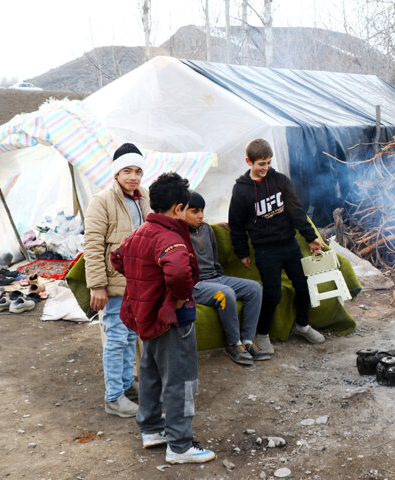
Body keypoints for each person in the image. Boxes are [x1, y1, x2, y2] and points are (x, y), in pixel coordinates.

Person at [110, 172, 215, 464]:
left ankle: (152, 429)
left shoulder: (141, 232)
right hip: (172, 319)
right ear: (179, 208)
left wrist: (144, 283)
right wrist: (179, 296)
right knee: (178, 379)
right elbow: (180, 272)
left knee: (151, 373)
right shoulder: (171, 239)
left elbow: (117, 257)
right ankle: (179, 445)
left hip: (146, 317)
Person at [228, 138, 325, 355]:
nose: (266, 168)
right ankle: (262, 334)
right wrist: (242, 252)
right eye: (261, 164)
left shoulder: (280, 181)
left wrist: (310, 237)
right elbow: (235, 225)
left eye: (269, 163)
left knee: (303, 286)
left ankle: (302, 325)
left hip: (289, 244)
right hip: (265, 250)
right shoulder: (241, 190)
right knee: (272, 294)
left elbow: (296, 211)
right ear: (249, 162)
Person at [84, 142, 149, 418]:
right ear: (116, 173)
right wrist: (97, 285)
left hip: (138, 280)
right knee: (116, 338)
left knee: (130, 334)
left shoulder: (143, 196)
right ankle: (113, 397)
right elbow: (93, 244)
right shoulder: (103, 201)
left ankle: (125, 385)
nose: (133, 177)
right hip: (113, 282)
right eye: (127, 171)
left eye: (137, 171)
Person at [185, 191, 269, 366]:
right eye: (194, 211)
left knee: (254, 288)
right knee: (226, 293)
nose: (200, 215)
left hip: (216, 277)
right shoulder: (176, 234)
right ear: (180, 210)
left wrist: (219, 275)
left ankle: (246, 341)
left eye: (202, 210)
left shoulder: (207, 229)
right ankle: (233, 344)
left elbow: (214, 258)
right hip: (195, 284)